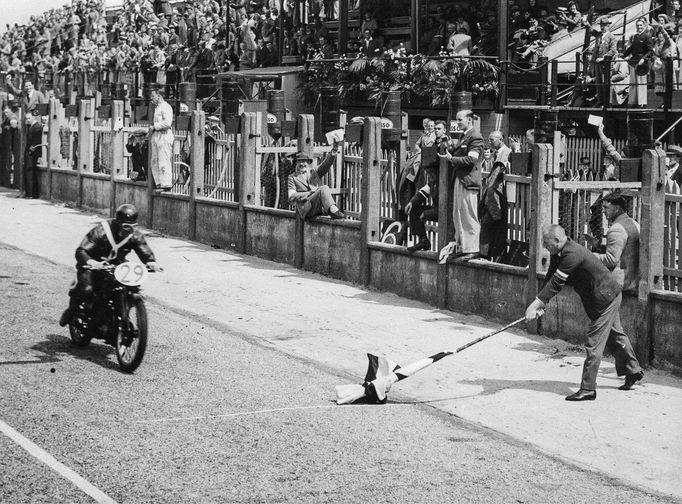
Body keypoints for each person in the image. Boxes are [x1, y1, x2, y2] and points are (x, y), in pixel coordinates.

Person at [525, 225, 644, 401]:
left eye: (546, 243)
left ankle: (588, 388)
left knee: (594, 342)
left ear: (557, 241)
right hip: (599, 299)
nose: (544, 246)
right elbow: (551, 277)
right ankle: (633, 370)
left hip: (606, 298)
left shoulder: (572, 254)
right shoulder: (558, 252)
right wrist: (542, 303)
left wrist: (535, 305)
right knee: (616, 335)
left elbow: (557, 282)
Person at [59, 204, 160, 327]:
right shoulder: (101, 231)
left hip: (117, 264)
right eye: (126, 226)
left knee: (132, 286)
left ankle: (120, 314)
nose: (129, 230)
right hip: (93, 264)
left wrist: (150, 261)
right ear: (118, 223)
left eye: (133, 226)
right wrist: (92, 262)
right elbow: (81, 251)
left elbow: (142, 247)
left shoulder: (134, 235)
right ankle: (71, 312)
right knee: (87, 289)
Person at [438, 109, 483, 260]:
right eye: (457, 120)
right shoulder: (463, 136)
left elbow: (472, 160)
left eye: (460, 120)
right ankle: (462, 247)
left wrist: (451, 159)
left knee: (468, 214)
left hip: (468, 181)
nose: (458, 123)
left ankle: (472, 249)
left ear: (469, 120)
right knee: (458, 214)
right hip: (460, 179)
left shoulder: (475, 136)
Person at [406, 120, 451, 252]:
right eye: (435, 128)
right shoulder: (433, 181)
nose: (436, 130)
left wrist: (426, 213)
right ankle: (423, 241)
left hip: (446, 210)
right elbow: (426, 190)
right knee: (414, 209)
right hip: (437, 208)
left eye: (439, 128)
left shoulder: (446, 143)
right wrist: (412, 202)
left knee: (426, 212)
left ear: (444, 130)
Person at [287, 140, 345, 219]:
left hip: (318, 207)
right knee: (323, 188)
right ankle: (333, 210)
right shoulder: (292, 177)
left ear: (308, 163)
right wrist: (309, 193)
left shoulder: (314, 172)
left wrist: (334, 150)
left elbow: (326, 164)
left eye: (304, 161)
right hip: (305, 209)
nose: (301, 164)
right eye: (299, 161)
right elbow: (292, 196)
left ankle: (332, 209)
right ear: (296, 163)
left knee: (323, 188)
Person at [597, 192, 640, 293]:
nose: (603, 211)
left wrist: (591, 255)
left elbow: (611, 260)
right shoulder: (635, 224)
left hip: (618, 283)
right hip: (633, 280)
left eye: (606, 207)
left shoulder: (616, 229)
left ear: (616, 208)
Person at [479, 161, 508, 261]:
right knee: (495, 243)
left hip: (489, 218)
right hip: (493, 219)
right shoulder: (495, 186)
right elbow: (496, 213)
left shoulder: (491, 185)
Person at [623, 18, 654, 107]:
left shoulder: (647, 36)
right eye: (638, 25)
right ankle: (633, 102)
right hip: (634, 61)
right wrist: (622, 56)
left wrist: (643, 59)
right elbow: (631, 48)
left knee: (641, 83)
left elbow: (650, 51)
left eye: (641, 25)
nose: (639, 27)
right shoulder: (635, 37)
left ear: (644, 26)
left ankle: (641, 102)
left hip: (642, 64)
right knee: (633, 83)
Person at [589, 16, 618, 108]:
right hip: (597, 63)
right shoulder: (599, 35)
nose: (602, 27)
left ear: (608, 26)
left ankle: (606, 102)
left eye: (604, 25)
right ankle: (600, 101)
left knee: (605, 82)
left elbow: (613, 50)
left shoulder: (611, 37)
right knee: (598, 82)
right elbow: (592, 31)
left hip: (606, 64)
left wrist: (603, 58)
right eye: (601, 25)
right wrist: (586, 23)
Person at [148, 89, 174, 190]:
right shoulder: (156, 108)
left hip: (164, 135)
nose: (151, 99)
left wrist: (155, 126)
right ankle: (158, 182)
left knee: (164, 160)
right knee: (154, 160)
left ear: (159, 96)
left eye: (153, 96)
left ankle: (166, 184)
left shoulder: (166, 107)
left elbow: (168, 123)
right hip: (156, 135)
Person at [23, 112, 44, 199]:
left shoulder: (37, 127)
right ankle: (30, 193)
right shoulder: (31, 127)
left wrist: (31, 150)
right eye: (26, 118)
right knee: (29, 172)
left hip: (32, 153)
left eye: (28, 118)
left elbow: (36, 141)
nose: (27, 120)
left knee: (30, 172)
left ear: (33, 117)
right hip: (30, 152)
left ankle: (30, 193)